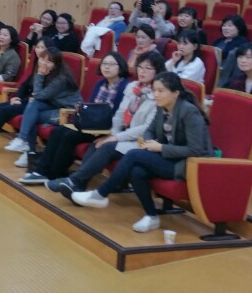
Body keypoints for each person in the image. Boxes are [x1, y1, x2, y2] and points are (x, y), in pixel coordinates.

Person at [72, 72, 213, 233]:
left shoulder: (189, 112)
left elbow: (195, 149)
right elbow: (149, 131)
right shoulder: (162, 107)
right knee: (137, 171)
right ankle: (152, 216)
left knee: (133, 154)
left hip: (189, 164)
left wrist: (161, 148)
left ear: (175, 93)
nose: (156, 95)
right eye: (154, 90)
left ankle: (101, 194)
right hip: (170, 157)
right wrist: (149, 143)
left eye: (161, 91)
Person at [46, 51, 166, 201]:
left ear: (158, 71)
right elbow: (119, 115)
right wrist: (111, 134)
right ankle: (78, 186)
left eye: (148, 68)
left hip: (142, 141)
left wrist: (115, 137)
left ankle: (73, 181)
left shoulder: (159, 95)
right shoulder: (133, 87)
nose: (142, 71)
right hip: (123, 134)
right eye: (140, 67)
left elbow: (145, 129)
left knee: (107, 146)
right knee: (98, 143)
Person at [19, 52, 130, 185]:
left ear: (120, 67)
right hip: (90, 124)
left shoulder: (125, 87)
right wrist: (82, 109)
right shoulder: (101, 83)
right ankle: (41, 171)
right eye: (104, 63)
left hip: (106, 129)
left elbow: (119, 115)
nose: (107, 67)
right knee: (57, 131)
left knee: (69, 136)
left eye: (111, 64)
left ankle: (55, 174)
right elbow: (90, 105)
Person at [3, 47, 83, 167]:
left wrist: (39, 75)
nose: (44, 63)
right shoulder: (46, 72)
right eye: (42, 59)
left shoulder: (61, 79)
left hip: (68, 112)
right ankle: (26, 147)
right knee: (32, 108)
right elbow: (37, 95)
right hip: (54, 106)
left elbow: (39, 95)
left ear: (56, 65)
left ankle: (26, 146)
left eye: (49, 61)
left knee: (32, 114)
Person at [214, 15, 250, 88]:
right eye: (224, 25)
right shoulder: (219, 40)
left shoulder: (242, 43)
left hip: (227, 75)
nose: (225, 28)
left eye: (230, 26)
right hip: (214, 71)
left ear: (239, 28)